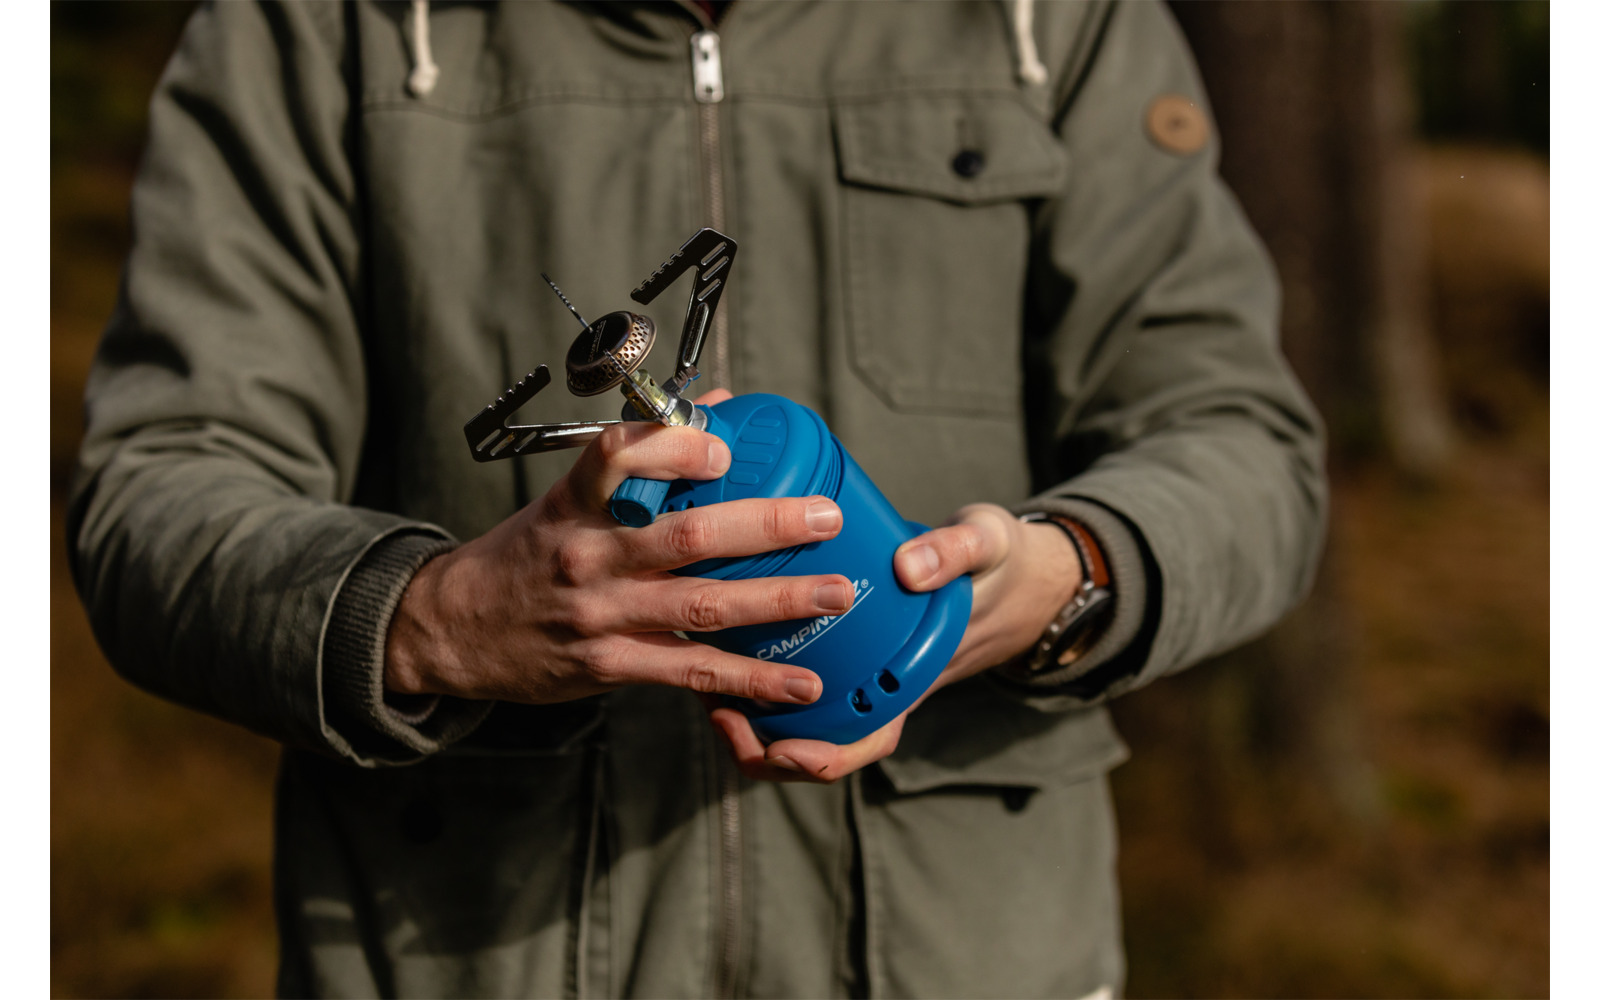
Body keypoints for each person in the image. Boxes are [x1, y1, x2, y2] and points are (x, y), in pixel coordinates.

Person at [69, 1, 1325, 997]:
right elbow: (154, 485)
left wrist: (1063, 576)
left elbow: (1241, 440)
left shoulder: (1048, 18)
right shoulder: (319, 25)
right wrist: (438, 617)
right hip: (455, 954)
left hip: (976, 951)